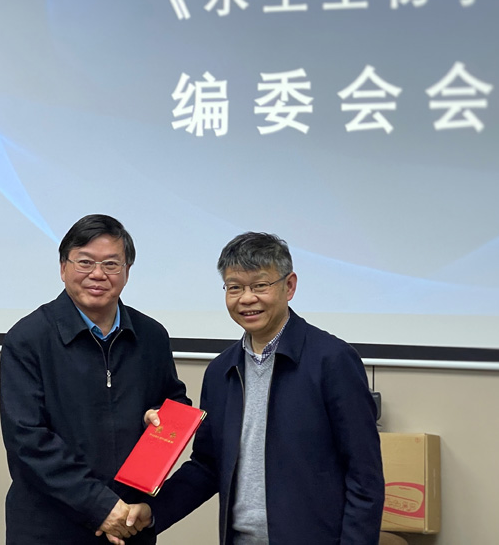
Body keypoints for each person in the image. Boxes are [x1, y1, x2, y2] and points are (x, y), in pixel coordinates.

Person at [137, 231, 385, 544]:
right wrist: (153, 512)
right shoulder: (221, 371)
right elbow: (207, 466)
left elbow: (365, 477)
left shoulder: (332, 360)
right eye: (235, 287)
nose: (246, 298)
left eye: (260, 285)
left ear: (289, 286)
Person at [0, 214, 189, 545]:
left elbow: (176, 406)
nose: (98, 274)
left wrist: (160, 418)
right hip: (48, 527)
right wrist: (101, 507)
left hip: (129, 522)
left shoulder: (151, 336)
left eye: (111, 264)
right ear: (63, 268)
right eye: (85, 262)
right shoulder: (28, 338)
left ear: (127, 271)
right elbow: (27, 441)